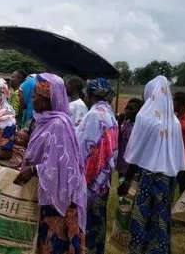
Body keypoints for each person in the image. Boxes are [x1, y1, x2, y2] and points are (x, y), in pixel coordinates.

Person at [13, 73, 87, 254]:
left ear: (47, 100)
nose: (33, 101)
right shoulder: (44, 122)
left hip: (60, 198)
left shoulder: (58, 125)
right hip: (47, 192)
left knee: (56, 244)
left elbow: (61, 167)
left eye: (35, 97)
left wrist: (32, 169)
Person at [119, 76, 185, 254]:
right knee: (161, 219)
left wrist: (126, 180)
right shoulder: (175, 122)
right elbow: (178, 156)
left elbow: (135, 153)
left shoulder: (145, 117)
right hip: (169, 179)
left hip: (149, 177)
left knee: (142, 219)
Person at [75, 78, 118, 254]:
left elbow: (84, 145)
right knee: (98, 222)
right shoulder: (110, 114)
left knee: (87, 223)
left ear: (90, 94)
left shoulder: (94, 115)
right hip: (103, 178)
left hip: (90, 179)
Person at [117, 98, 143, 177]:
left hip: (130, 167)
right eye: (126, 108)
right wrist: (119, 123)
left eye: (131, 109)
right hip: (122, 164)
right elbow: (118, 140)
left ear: (139, 111)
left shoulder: (138, 128)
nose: (127, 111)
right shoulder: (126, 124)